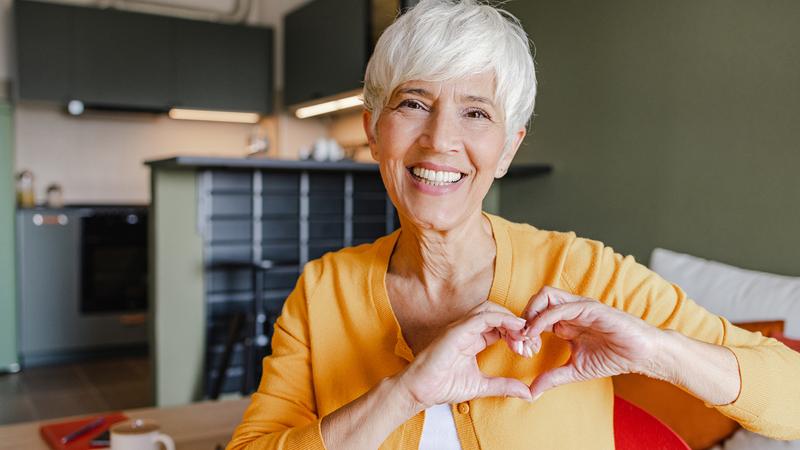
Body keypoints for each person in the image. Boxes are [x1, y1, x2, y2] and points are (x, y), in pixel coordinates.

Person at [227, 1, 800, 448]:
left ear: (507, 150)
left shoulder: (583, 271)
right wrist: (404, 394)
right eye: (413, 104)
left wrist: (654, 350)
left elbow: (792, 398)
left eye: (476, 112)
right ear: (373, 131)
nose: (440, 140)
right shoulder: (324, 291)